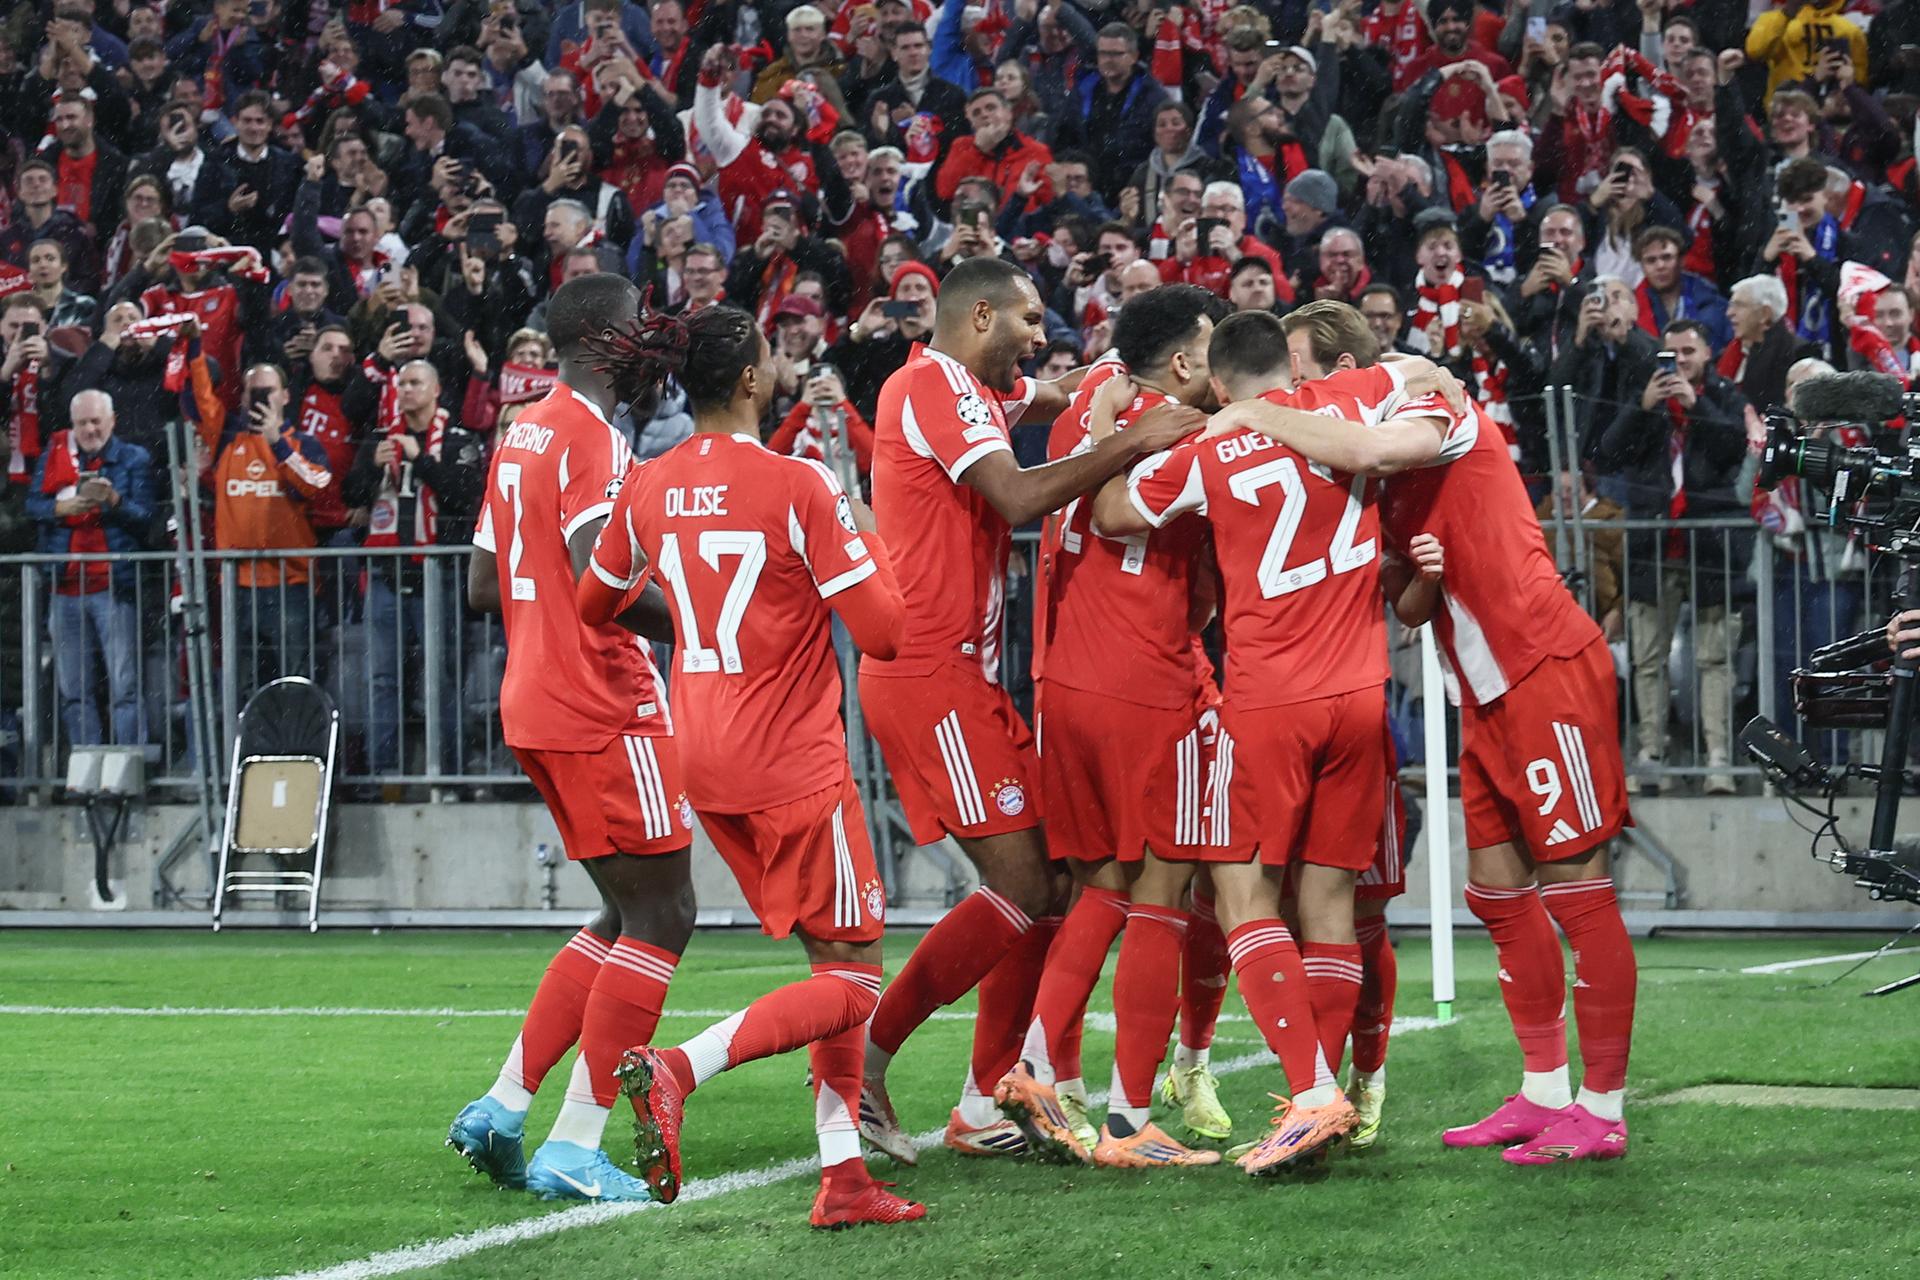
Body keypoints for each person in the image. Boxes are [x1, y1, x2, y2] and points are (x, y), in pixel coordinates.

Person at [1212, 298, 1638, 1166]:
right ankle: (1543, 1091)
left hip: (1544, 668)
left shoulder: (1421, 396)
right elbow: (1405, 597)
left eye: (1300, 369)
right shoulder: (1359, 474)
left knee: (1578, 892)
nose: (1293, 388)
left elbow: (1375, 443)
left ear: (1338, 366)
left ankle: (1603, 1107)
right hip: (1480, 690)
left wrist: (1251, 407)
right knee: (1496, 892)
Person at [573, 302, 921, 1228]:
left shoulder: (646, 484)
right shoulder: (800, 483)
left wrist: (693, 623)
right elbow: (886, 634)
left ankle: (843, 1180)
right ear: (752, 380)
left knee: (830, 963)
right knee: (855, 978)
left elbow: (594, 600)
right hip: (792, 759)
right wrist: (858, 523)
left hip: (706, 753)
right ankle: (680, 1069)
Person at [1093, 306, 1449, 1175]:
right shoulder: (1354, 401)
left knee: (1242, 895)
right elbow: (1425, 380)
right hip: (1361, 694)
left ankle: (1313, 1090)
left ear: (1217, 384)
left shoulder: (1208, 449)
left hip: (1267, 700)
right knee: (1332, 907)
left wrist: (1111, 424)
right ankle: (1316, 1103)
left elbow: (1107, 512)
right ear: (1287, 373)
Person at [854, 257, 1193, 1163]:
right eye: (1029, 318)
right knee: (1030, 885)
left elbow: (1043, 396)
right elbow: (1017, 493)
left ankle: (983, 1098)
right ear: (977, 318)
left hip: (961, 676)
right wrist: (1139, 437)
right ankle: (867, 1061)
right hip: (931, 675)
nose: (1040, 334)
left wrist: (1092, 388)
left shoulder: (961, 386)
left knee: (1048, 886)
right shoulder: (937, 385)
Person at [448, 273, 691, 1205]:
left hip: (534, 700)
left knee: (620, 916)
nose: (648, 346)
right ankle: (575, 1144)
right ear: (603, 339)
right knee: (666, 915)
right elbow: (605, 576)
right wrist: (711, 624)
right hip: (603, 706)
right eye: (637, 329)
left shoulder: (523, 431)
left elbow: (481, 584)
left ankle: (505, 1108)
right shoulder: (591, 436)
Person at [996, 284, 1229, 1168]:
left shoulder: (1081, 417)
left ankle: (1034, 1067)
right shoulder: (1188, 432)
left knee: (1100, 887)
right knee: (1163, 896)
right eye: (1209, 350)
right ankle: (1132, 1123)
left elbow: (1099, 383)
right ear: (1180, 364)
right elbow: (1204, 589)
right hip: (1145, 680)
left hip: (1065, 680)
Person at [1595, 319, 1751, 796]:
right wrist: (1641, 409)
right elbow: (1605, 456)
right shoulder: (1646, 400)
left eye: (1689, 351)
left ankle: (1718, 759)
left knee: (1714, 659)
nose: (1680, 362)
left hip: (1710, 550)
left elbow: (1734, 448)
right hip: (1653, 550)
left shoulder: (1724, 396)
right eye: (1672, 354)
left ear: (1707, 353)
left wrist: (1695, 404)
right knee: (1647, 659)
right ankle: (1653, 754)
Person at [26, 389, 154, 749]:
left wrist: (113, 501)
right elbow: (32, 505)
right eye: (82, 422)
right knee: (73, 690)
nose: (90, 429)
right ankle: (87, 768)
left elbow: (146, 518)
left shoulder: (133, 458)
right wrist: (59, 510)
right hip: (64, 588)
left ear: (112, 421)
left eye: (96, 420)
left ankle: (129, 768)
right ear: (73, 425)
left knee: (124, 686)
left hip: (112, 586)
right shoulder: (56, 456)